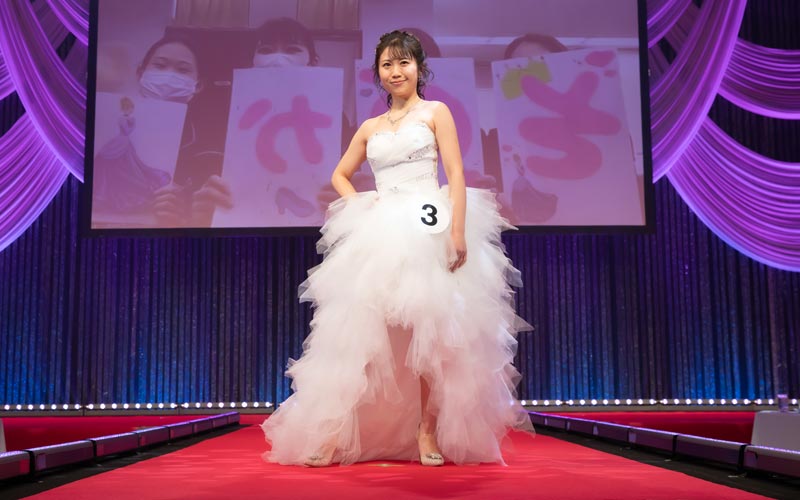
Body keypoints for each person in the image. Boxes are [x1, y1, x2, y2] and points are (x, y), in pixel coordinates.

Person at [261, 30, 532, 467]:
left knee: (431, 336)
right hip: (382, 232)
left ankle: (427, 431)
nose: (395, 71)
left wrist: (457, 230)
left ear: (419, 68)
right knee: (359, 334)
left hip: (429, 227)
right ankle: (335, 431)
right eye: (387, 64)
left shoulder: (436, 112)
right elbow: (339, 175)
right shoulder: (370, 127)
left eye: (403, 62)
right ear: (379, 73)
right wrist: (362, 205)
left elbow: (455, 174)